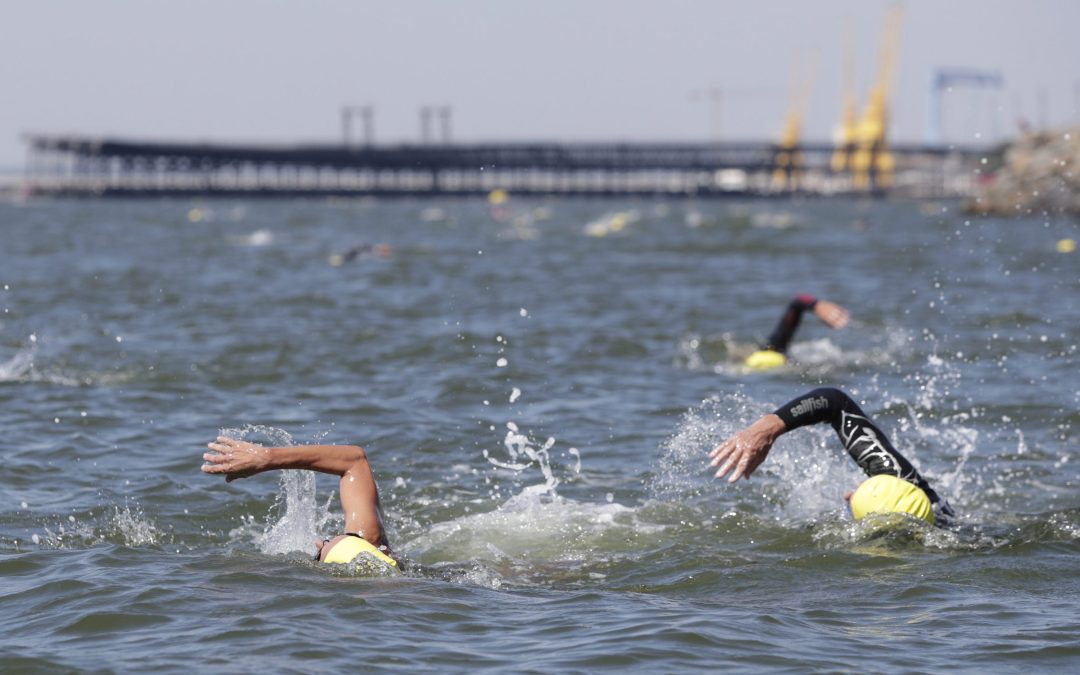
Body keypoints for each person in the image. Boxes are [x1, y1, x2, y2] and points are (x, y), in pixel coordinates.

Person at [709, 387, 955, 526]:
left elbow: (837, 402)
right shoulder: (911, 489)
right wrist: (771, 425)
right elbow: (835, 404)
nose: (852, 493)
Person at [201, 437, 399, 569]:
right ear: (382, 551)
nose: (321, 542)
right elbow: (355, 461)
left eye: (320, 551)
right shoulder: (371, 542)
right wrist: (266, 458)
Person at [744, 294, 849, 370]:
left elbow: (796, 302)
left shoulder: (745, 365)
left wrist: (817, 305)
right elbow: (797, 302)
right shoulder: (773, 351)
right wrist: (817, 305)